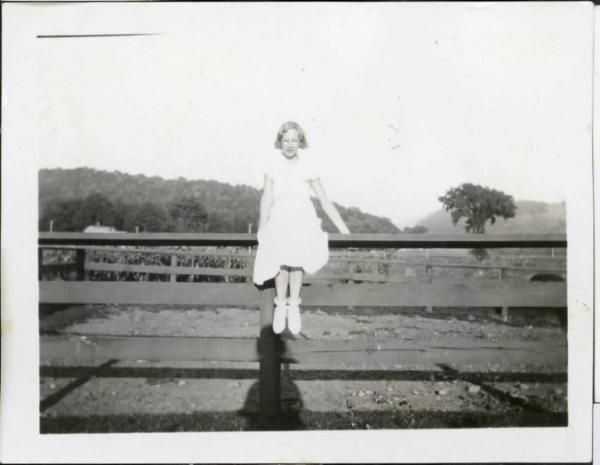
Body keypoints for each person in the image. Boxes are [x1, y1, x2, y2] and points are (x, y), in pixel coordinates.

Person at [253, 121, 350, 335]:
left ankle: (294, 305)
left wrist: (344, 230)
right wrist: (261, 227)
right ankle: (281, 304)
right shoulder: (272, 165)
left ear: (300, 142)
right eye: (286, 140)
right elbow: (267, 196)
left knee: (297, 260)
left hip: (302, 216)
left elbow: (324, 200)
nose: (290, 144)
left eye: (294, 140)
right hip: (280, 216)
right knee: (280, 258)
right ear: (280, 141)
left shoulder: (308, 165)